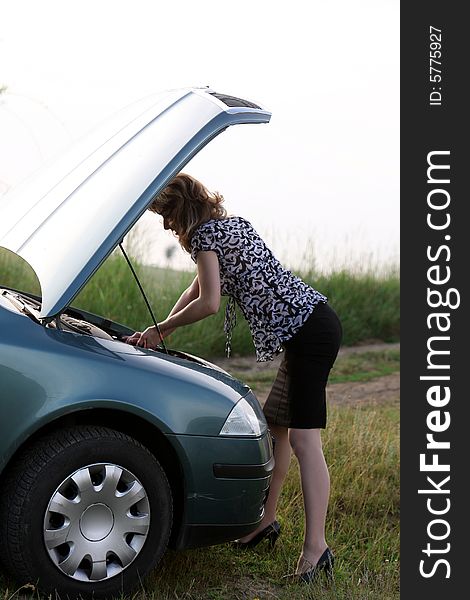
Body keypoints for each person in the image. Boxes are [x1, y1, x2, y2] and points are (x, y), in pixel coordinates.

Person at [125, 173, 342, 582]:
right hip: (307, 329)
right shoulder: (229, 226)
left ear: (181, 210)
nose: (167, 227)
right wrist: (162, 329)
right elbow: (195, 291)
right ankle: (265, 521)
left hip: (310, 332)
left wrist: (161, 330)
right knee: (275, 427)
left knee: (303, 440)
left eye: (166, 217)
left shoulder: (206, 236)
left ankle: (317, 551)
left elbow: (208, 303)